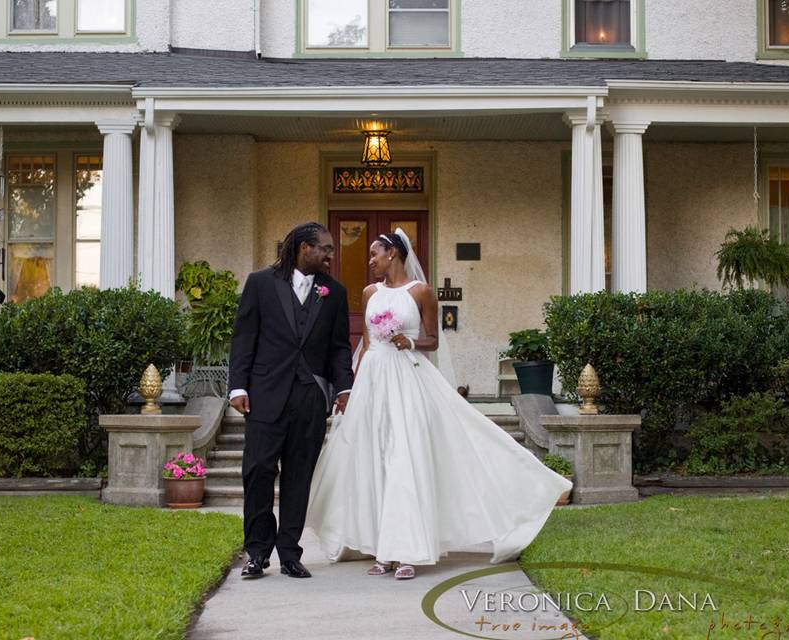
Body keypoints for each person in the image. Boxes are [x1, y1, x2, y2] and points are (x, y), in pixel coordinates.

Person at [305, 229, 572, 580]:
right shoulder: (370, 293)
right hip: (373, 380)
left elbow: (432, 340)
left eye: (375, 253)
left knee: (406, 457)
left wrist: (411, 341)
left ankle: (408, 551)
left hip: (407, 379)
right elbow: (367, 345)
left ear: (394, 254)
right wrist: (351, 389)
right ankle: (381, 548)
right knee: (375, 459)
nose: (370, 260)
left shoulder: (422, 293)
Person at [228, 222, 354, 580]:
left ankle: (290, 554)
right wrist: (238, 386)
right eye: (325, 248)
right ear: (303, 248)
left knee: (299, 478)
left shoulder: (335, 292)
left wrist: (343, 388)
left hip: (310, 399)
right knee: (257, 473)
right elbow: (243, 338)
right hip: (265, 397)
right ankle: (256, 553)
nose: (332, 255)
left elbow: (339, 347)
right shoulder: (260, 283)